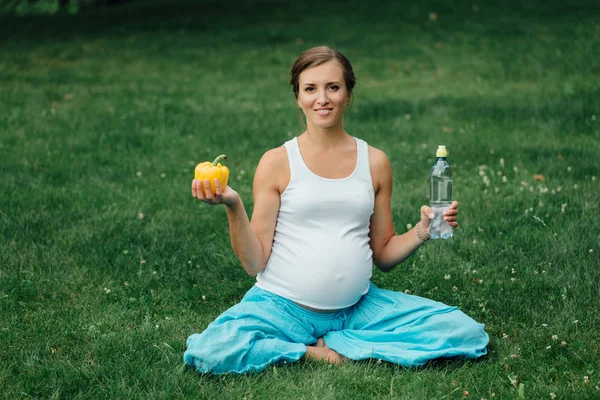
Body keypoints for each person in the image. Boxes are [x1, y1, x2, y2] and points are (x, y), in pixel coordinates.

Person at [184, 46, 489, 374]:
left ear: (348, 94)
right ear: (298, 98)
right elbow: (254, 262)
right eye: (310, 89)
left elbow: (383, 254)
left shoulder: (375, 162)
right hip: (281, 307)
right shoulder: (276, 162)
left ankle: (341, 338)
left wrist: (422, 230)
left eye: (333, 87)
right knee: (210, 351)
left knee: (465, 332)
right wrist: (233, 205)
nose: (322, 99)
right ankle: (316, 352)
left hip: (359, 308)